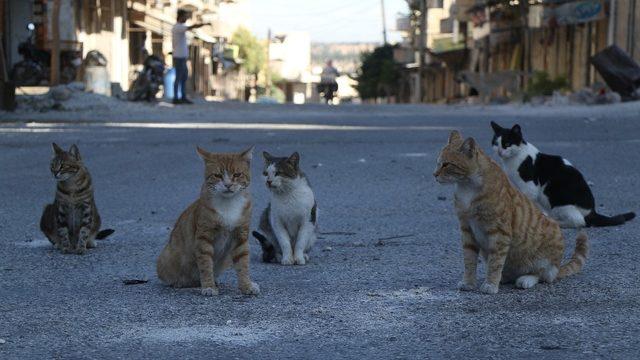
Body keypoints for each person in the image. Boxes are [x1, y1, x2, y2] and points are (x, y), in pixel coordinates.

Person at [172, 10, 207, 105]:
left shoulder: (180, 27)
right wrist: (203, 24)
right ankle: (176, 98)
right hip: (179, 57)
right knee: (179, 78)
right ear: (180, 17)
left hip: (182, 57)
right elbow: (191, 27)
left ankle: (182, 97)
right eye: (185, 16)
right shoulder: (178, 27)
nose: (186, 19)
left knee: (183, 77)